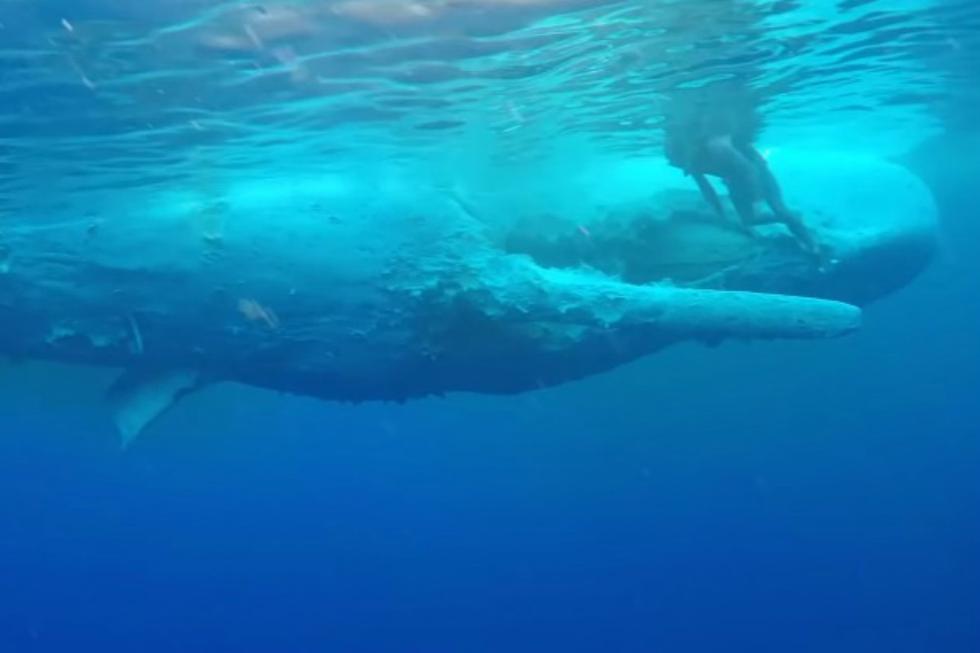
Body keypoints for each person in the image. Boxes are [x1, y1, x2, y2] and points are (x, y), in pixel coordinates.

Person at [664, 103, 819, 256]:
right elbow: (707, 190)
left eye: (672, 160)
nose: (671, 163)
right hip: (737, 180)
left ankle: (811, 245)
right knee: (749, 220)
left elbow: (749, 171)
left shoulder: (717, 146)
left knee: (778, 208)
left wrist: (756, 199)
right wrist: (721, 215)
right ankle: (792, 220)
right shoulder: (691, 161)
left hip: (759, 174)